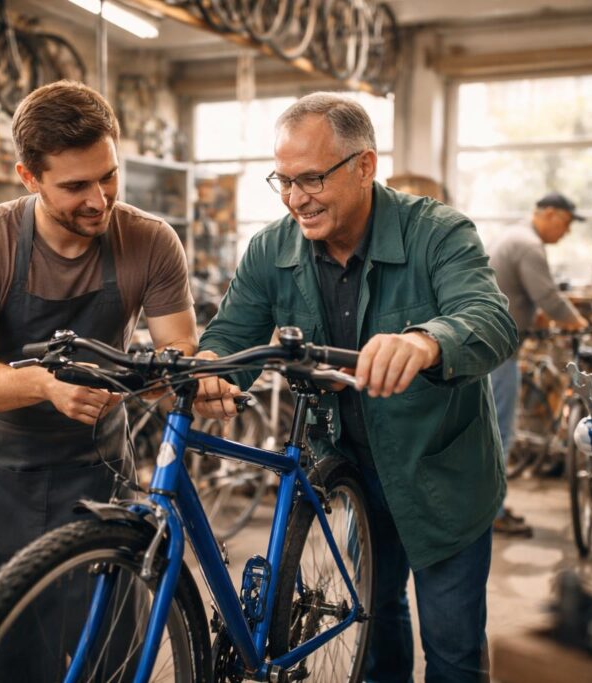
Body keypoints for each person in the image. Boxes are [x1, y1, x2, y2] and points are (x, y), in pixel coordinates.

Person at [194, 92, 517, 683]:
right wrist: (210, 374)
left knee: (451, 649)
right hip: (350, 478)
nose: (296, 199)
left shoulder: (437, 232)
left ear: (364, 166)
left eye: (312, 178)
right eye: (284, 181)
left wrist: (425, 341)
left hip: (440, 476)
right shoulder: (271, 250)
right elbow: (231, 337)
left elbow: (490, 319)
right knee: (374, 624)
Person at [0, 80, 197, 661]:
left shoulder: (150, 242)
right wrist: (43, 385)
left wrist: (191, 383)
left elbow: (178, 356)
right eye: (75, 186)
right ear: (28, 177)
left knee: (97, 653)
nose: (99, 200)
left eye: (108, 176)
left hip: (97, 477)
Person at [487, 192, 589, 536]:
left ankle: (491, 507)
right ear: (548, 214)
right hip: (498, 351)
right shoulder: (529, 245)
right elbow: (548, 297)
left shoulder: (514, 236)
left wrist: (537, 318)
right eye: (566, 223)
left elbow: (522, 297)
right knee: (499, 433)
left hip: (493, 346)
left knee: (495, 431)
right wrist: (580, 323)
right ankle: (492, 513)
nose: (567, 232)